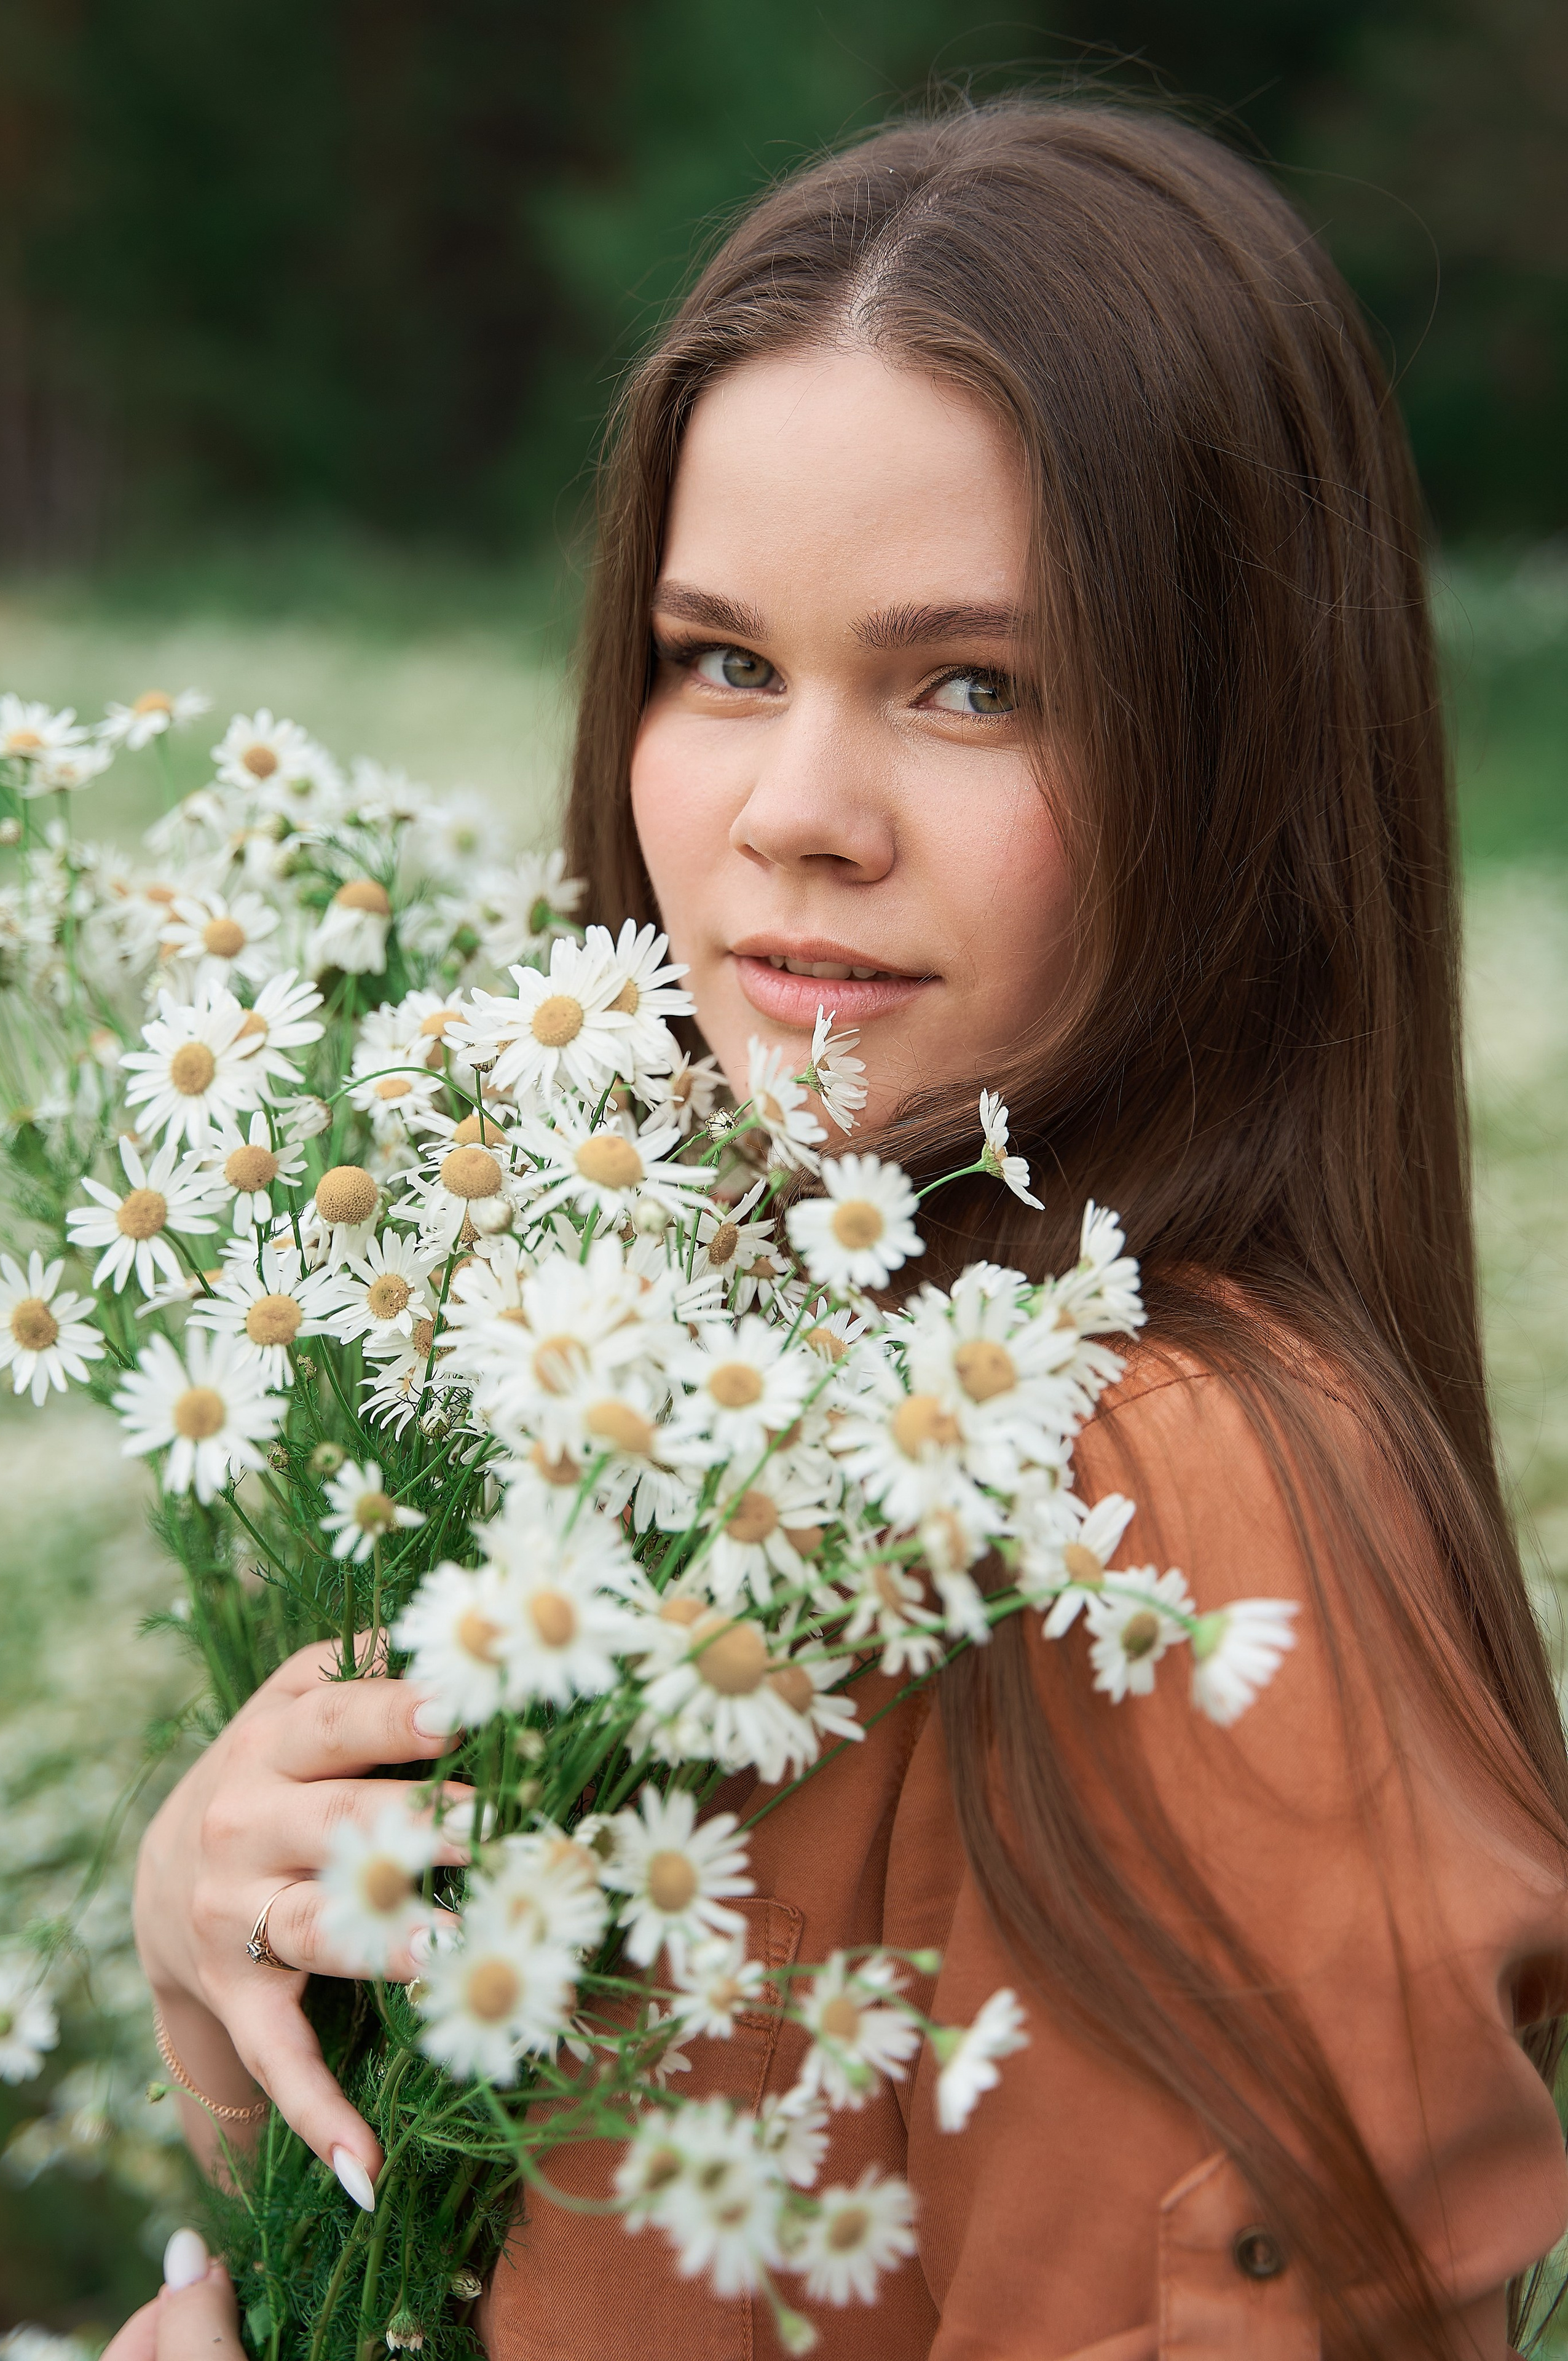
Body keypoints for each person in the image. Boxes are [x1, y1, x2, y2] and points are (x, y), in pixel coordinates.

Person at [124, 98, 1568, 2360]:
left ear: (1245, 762)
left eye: (974, 686)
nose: (795, 815)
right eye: (722, 660)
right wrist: (215, 1961)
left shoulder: (1146, 1519)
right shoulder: (705, 1384)